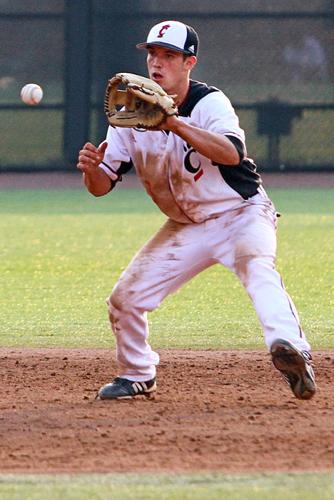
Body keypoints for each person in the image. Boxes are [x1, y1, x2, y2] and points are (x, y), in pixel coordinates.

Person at [77, 20, 316, 401]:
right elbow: (102, 186)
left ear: (190, 63)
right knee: (125, 300)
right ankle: (138, 374)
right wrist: (92, 171)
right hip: (185, 225)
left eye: (169, 55)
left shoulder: (209, 102)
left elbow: (231, 153)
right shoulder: (128, 110)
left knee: (257, 267)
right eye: (152, 54)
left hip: (240, 213)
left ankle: (290, 349)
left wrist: (173, 123)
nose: (157, 63)